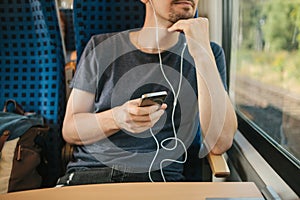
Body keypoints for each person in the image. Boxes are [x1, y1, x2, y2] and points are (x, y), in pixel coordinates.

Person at [57, 0, 237, 186]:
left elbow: (219, 143)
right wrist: (117, 118)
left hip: (158, 181)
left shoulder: (209, 54)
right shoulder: (100, 47)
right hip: (90, 175)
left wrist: (202, 53)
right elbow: (70, 130)